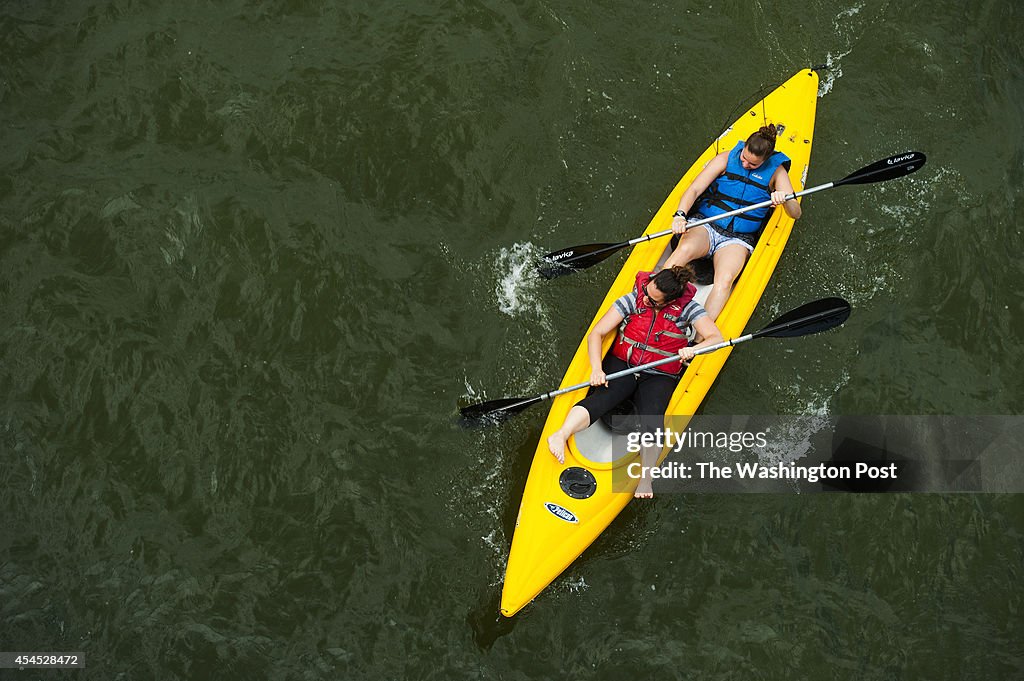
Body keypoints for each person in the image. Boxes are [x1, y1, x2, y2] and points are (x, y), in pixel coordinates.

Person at [547, 265, 723, 498]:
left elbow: (715, 338)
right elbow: (596, 334)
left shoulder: (689, 309)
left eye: (652, 299)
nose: (645, 299)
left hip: (659, 373)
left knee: (653, 416)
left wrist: (694, 349)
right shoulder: (634, 299)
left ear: (669, 301)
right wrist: (597, 369)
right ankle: (561, 434)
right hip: (624, 364)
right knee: (604, 396)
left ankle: (645, 479)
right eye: (646, 293)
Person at [662, 124, 802, 321]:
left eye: (753, 165)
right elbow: (694, 190)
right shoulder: (726, 158)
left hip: (737, 239)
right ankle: (653, 299)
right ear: (743, 147)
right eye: (744, 158)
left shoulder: (777, 173)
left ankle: (701, 338)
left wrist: (786, 199)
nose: (745, 165)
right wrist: (680, 214)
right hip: (707, 224)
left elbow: (795, 213)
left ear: (767, 159)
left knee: (725, 280)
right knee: (683, 251)